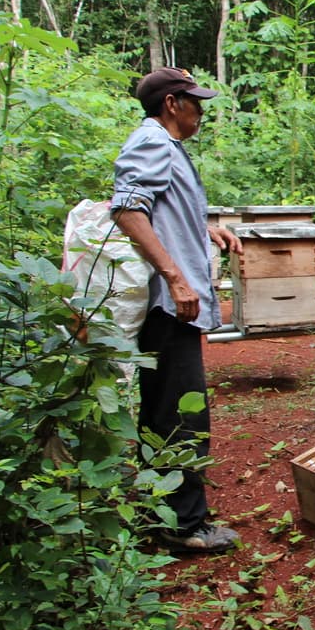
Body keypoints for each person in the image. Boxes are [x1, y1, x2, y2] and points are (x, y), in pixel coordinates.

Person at [111, 67, 242, 553]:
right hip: (171, 307)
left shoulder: (165, 145)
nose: (200, 111)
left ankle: (157, 512)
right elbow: (128, 210)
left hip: (171, 306)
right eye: (195, 102)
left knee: (162, 409)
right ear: (172, 104)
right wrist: (176, 277)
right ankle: (184, 527)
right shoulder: (153, 141)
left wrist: (203, 228)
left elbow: (157, 210)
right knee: (183, 415)